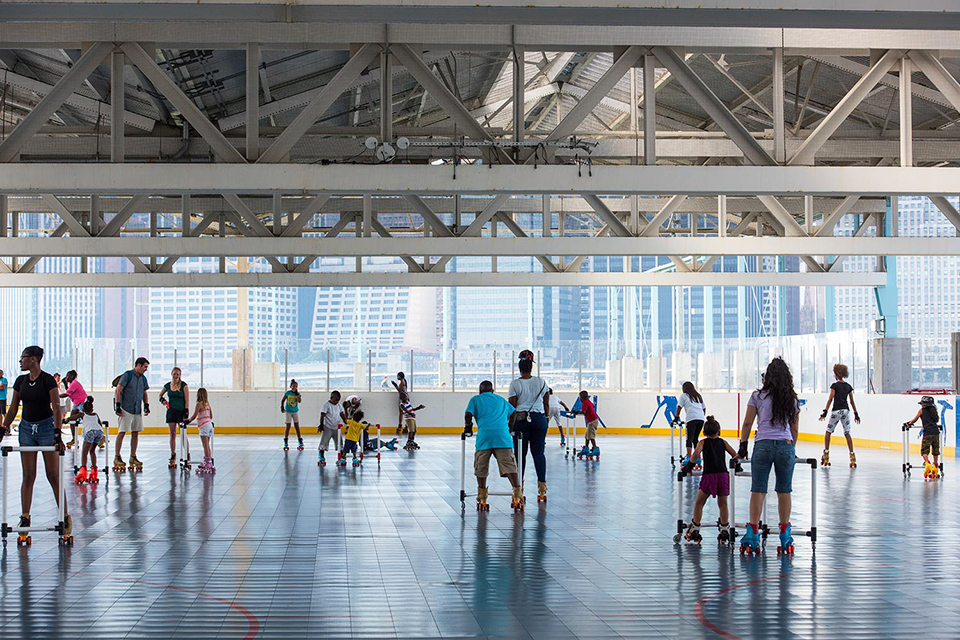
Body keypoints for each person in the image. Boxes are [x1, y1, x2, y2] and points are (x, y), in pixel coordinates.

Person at [0, 346, 71, 543]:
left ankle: (64, 517)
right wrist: (3, 427)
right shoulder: (20, 380)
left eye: (23, 358)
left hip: (46, 428)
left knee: (53, 475)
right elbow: (14, 407)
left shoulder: (47, 380)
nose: (20, 362)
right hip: (26, 430)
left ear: (33, 359)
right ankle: (25, 517)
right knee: (28, 475)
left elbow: (56, 408)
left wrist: (57, 434)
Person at [738, 357, 800, 556]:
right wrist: (792, 447)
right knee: (784, 490)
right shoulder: (792, 398)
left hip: (763, 444)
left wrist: (743, 446)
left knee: (758, 490)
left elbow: (747, 423)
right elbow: (794, 426)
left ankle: (753, 533)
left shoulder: (757, 397)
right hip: (785, 445)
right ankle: (785, 534)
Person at [680, 416, 740, 544]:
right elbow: (734, 454)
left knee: (699, 502)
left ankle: (695, 527)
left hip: (709, 476)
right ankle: (724, 528)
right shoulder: (723, 442)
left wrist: (688, 467)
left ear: (704, 432)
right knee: (723, 503)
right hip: (723, 475)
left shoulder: (702, 442)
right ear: (719, 431)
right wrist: (737, 465)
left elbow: (696, 455)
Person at [465, 381, 524, 510]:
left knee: (481, 466)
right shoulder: (501, 400)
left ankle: (482, 496)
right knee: (509, 465)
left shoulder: (476, 399)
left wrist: (468, 427)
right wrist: (510, 426)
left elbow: (468, 414)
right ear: (493, 390)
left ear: (480, 390)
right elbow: (514, 412)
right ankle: (517, 493)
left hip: (484, 437)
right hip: (502, 437)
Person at [508, 349, 551, 503]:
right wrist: (545, 419)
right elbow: (546, 402)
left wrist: (510, 426)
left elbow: (512, 407)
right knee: (539, 453)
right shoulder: (541, 381)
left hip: (521, 421)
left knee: (520, 455)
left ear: (520, 367)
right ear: (531, 367)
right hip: (539, 419)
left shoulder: (515, 384)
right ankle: (542, 488)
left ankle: (518, 490)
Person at [818, 363, 861, 468]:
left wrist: (825, 412)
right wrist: (856, 414)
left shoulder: (834, 386)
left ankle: (826, 454)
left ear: (836, 374)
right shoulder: (848, 387)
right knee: (847, 433)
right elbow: (852, 401)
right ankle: (852, 457)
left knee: (828, 431)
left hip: (836, 411)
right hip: (846, 411)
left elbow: (830, 399)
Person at [114, 357, 150, 472]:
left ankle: (133, 456)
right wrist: (118, 405)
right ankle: (117, 456)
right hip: (126, 409)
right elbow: (118, 390)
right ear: (138, 365)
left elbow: (144, 392)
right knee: (122, 432)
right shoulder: (127, 375)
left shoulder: (143, 379)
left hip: (137, 410)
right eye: (145, 367)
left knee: (135, 433)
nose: (146, 369)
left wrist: (146, 405)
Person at [159, 367, 190, 468]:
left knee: (183, 434)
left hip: (181, 411)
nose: (176, 376)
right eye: (175, 374)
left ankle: (187, 454)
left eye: (178, 374)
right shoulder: (168, 385)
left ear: (180, 375)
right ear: (171, 374)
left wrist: (186, 411)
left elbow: (187, 399)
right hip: (171, 411)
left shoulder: (184, 385)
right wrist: (163, 401)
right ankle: (173, 454)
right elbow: (160, 395)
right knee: (172, 434)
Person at [69, 396, 104, 485]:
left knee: (84, 452)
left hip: (90, 432)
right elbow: (100, 424)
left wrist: (65, 420)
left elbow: (72, 418)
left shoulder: (82, 414)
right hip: (99, 432)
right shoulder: (95, 414)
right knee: (92, 451)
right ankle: (94, 472)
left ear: (83, 409)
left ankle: (83, 472)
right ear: (92, 409)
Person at [906, 396, 941, 479]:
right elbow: (936, 420)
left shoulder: (921, 411)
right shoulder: (934, 411)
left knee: (924, 451)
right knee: (935, 450)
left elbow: (915, 419)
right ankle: (935, 466)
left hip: (927, 433)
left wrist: (909, 423)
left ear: (924, 405)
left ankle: (927, 464)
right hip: (936, 432)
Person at [185, 387, 215, 474]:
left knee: (205, 446)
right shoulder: (207, 403)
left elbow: (194, 416)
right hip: (209, 425)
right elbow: (211, 415)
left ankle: (208, 463)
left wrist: (188, 420)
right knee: (207, 445)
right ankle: (207, 461)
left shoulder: (199, 404)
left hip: (204, 426)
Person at [679, 381, 707, 468]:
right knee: (695, 439)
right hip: (701, 419)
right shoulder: (698, 396)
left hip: (691, 418)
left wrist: (676, 417)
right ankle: (698, 458)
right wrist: (700, 416)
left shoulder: (683, 396)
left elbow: (679, 406)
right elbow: (704, 408)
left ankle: (689, 458)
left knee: (689, 439)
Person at [60, 371, 87, 449]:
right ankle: (74, 439)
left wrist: (55, 396)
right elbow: (69, 391)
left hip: (82, 402)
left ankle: (100, 438)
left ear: (72, 376)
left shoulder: (75, 383)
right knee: (72, 420)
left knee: (87, 420)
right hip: (76, 403)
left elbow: (66, 394)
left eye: (67, 375)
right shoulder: (72, 384)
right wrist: (65, 384)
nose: (66, 377)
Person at [318, 390, 345, 466]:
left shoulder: (339, 405)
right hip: (328, 427)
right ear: (331, 398)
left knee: (339, 442)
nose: (337, 402)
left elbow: (342, 414)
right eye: (336, 400)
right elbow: (322, 415)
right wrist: (321, 424)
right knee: (324, 442)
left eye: (338, 400)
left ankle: (341, 456)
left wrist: (346, 421)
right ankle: (321, 456)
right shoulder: (326, 405)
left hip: (337, 428)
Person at [574, 390, 603, 460]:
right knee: (587, 435)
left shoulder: (585, 402)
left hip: (592, 421)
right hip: (592, 421)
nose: (580, 399)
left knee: (591, 436)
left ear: (582, 397)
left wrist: (577, 412)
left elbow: (584, 412)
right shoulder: (588, 401)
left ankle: (596, 449)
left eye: (580, 397)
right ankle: (586, 448)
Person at [280, 379, 303, 451]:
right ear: (291, 386)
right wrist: (282, 407)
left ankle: (300, 441)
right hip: (288, 412)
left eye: (296, 386)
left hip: (295, 411)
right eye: (293, 386)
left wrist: (297, 397)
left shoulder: (298, 394)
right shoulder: (287, 393)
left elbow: (299, 401)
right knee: (288, 426)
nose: (294, 387)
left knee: (297, 426)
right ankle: (286, 441)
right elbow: (283, 400)